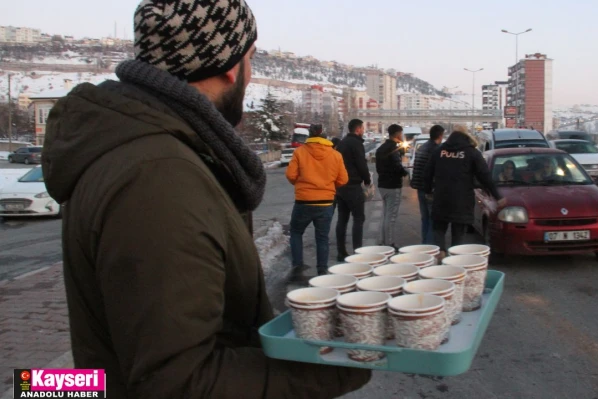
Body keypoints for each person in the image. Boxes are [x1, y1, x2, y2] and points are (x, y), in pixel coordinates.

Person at [40, 0, 371, 397]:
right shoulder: (158, 176)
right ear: (231, 67)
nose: (250, 72)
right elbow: (179, 381)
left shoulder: (157, 152)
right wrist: (344, 360)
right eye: (251, 58)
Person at [424, 125, 506, 256]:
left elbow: (427, 173)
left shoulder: (439, 151)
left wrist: (428, 191)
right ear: (466, 136)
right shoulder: (472, 152)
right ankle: (454, 259)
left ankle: (441, 251)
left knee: (438, 229)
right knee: (458, 234)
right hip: (461, 201)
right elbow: (485, 175)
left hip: (441, 199)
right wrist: (497, 196)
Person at [286, 125, 348, 276]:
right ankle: (322, 268)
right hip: (326, 202)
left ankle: (297, 265)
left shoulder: (300, 152)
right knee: (322, 237)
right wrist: (329, 186)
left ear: (309, 136)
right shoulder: (335, 155)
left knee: (296, 232)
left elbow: (290, 175)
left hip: (304, 201)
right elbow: (343, 179)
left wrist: (301, 184)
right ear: (325, 138)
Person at [335, 119, 372, 261]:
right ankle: (358, 252)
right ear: (358, 129)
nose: (363, 130)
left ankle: (341, 251)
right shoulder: (356, 143)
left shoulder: (342, 143)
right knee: (358, 218)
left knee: (342, 219)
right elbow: (361, 164)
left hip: (340, 187)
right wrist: (367, 180)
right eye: (362, 128)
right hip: (353, 185)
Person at [375, 124, 409, 249]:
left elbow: (379, 167)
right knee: (391, 216)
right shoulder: (393, 148)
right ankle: (389, 244)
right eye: (401, 133)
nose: (402, 135)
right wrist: (405, 172)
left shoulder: (381, 148)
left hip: (382, 185)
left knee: (385, 214)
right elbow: (396, 166)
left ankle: (383, 240)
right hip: (393, 185)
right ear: (397, 134)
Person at [410, 124, 444, 244]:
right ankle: (430, 247)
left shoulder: (422, 148)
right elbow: (436, 172)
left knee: (425, 219)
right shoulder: (436, 150)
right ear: (440, 135)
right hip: (430, 189)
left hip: (420, 188)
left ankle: (424, 244)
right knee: (432, 220)